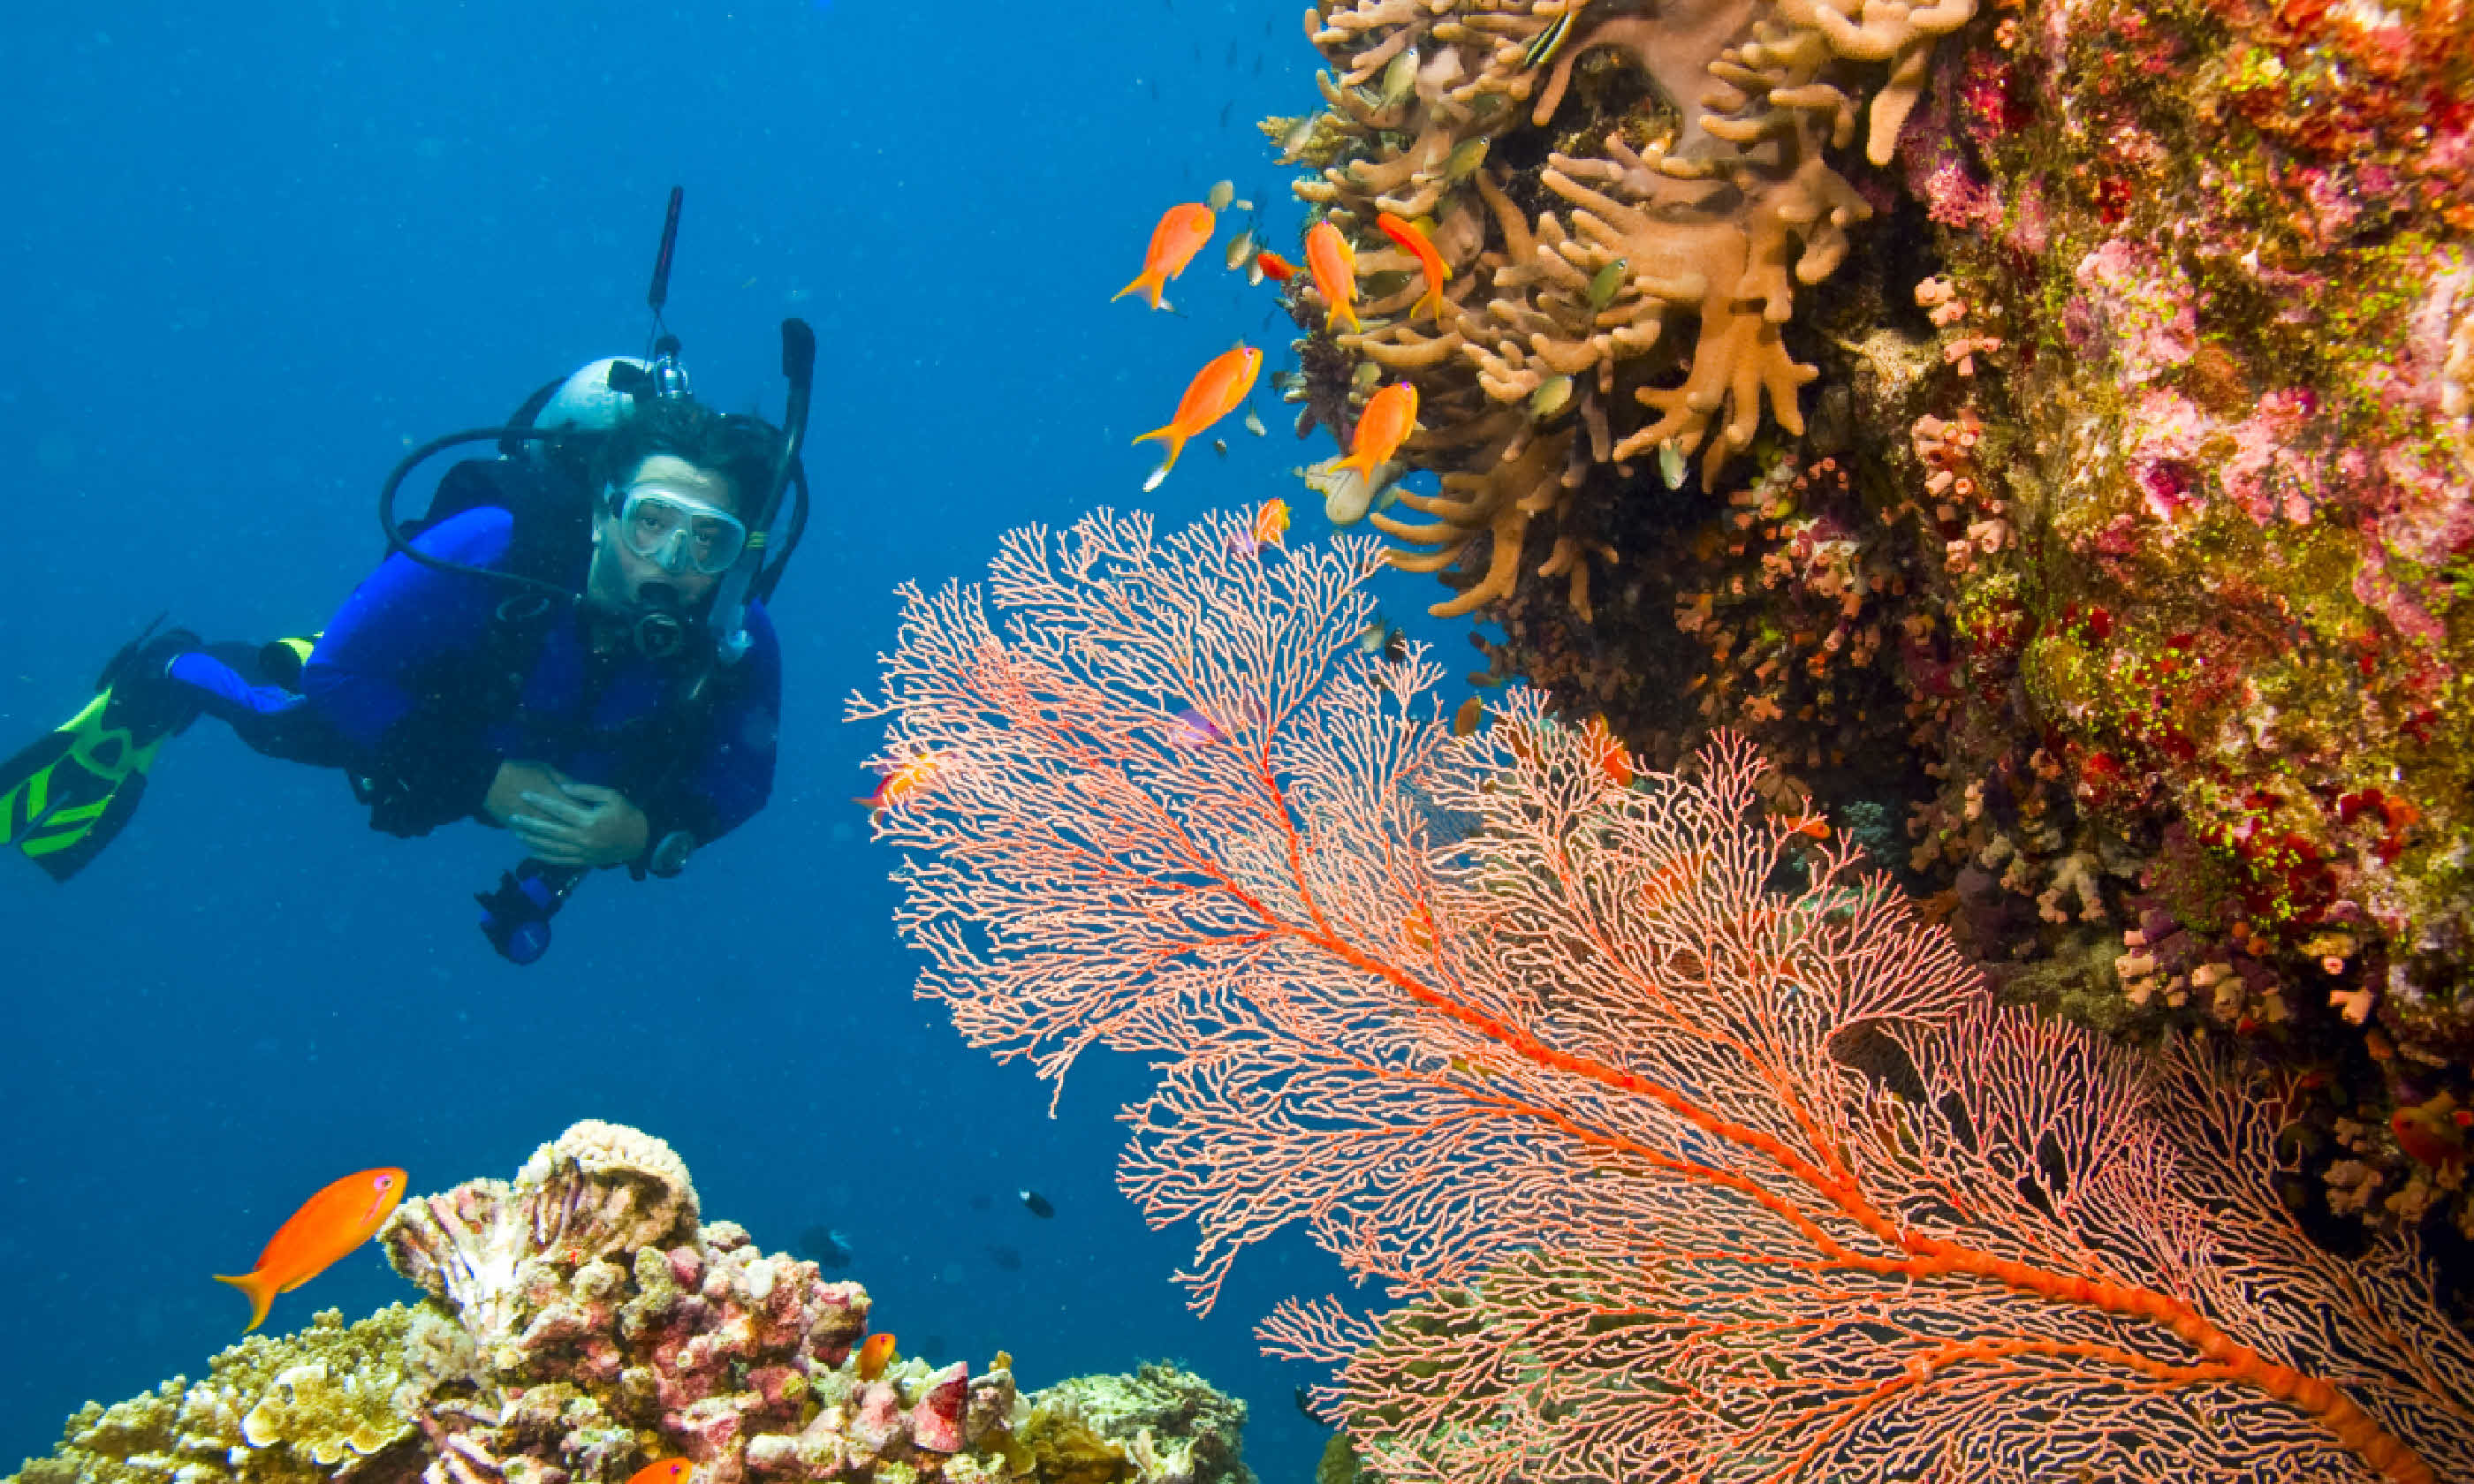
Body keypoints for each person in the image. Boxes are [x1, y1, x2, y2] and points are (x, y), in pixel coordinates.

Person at [0, 358, 791, 953]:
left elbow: (743, 778)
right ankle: (165, 669)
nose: (672, 558)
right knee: (281, 715)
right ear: (600, 512)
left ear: (738, 552)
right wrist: (483, 780)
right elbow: (340, 676)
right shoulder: (493, 546)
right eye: (651, 519)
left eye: (709, 538)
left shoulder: (737, 637)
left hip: (548, 748)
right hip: (423, 708)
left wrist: (646, 834)